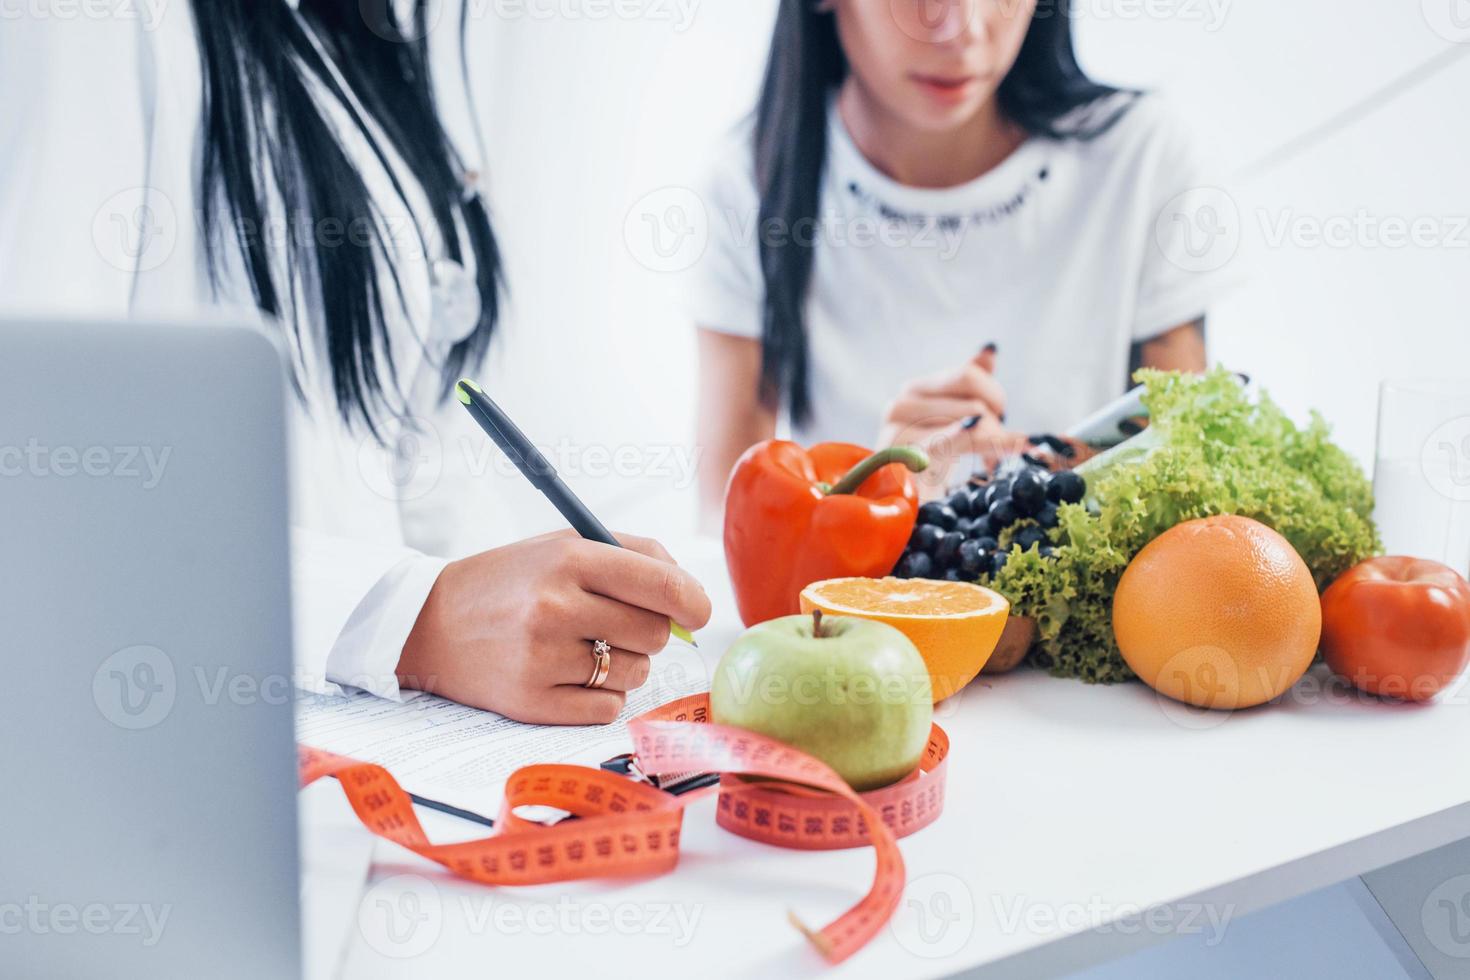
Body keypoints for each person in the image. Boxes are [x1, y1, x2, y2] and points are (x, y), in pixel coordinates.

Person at [0, 1, 710, 724]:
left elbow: (403, 462)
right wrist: (412, 620)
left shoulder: (358, 37)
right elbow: (37, 480)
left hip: (384, 741)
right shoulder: (83, 25)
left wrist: (542, 597)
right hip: (168, 730)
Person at [693, 0, 1233, 521]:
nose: (962, 30)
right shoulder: (749, 184)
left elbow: (1183, 485)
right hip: (863, 610)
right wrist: (882, 492)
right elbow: (730, 522)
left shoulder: (1139, 154)